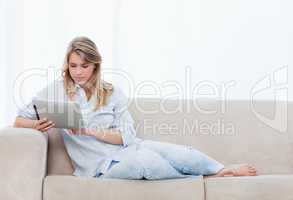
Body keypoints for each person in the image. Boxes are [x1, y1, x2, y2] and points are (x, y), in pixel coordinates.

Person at [13, 36, 257, 179]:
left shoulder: (112, 92)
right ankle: (207, 178)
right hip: (99, 167)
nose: (78, 72)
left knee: (183, 153)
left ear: (95, 67)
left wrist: (90, 131)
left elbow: (127, 136)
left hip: (128, 148)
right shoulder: (55, 91)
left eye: (84, 66)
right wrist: (37, 124)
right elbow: (18, 121)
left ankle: (221, 170)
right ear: (67, 65)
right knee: (146, 162)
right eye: (74, 66)